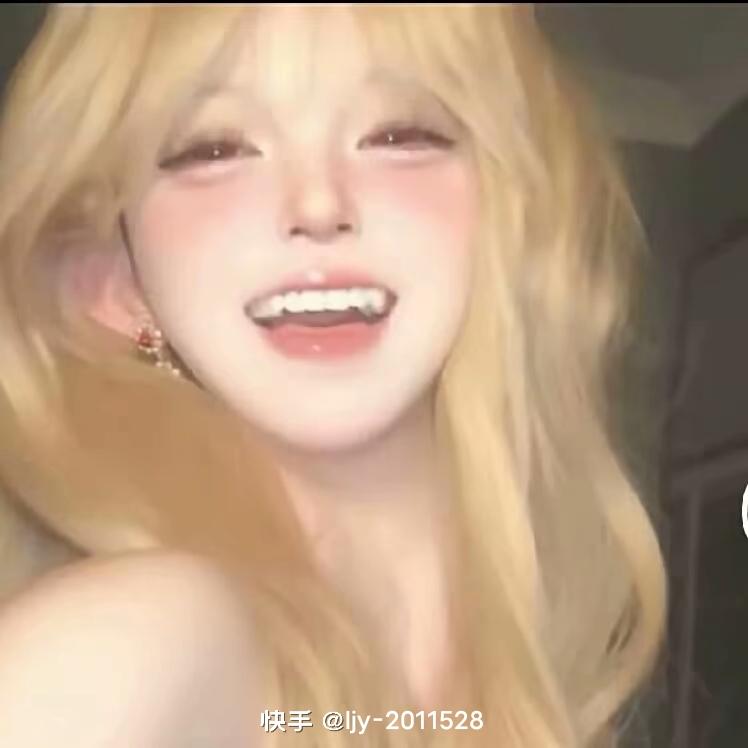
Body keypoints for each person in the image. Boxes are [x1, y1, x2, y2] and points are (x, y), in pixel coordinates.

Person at [0, 4, 667, 746]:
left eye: (398, 135)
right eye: (215, 148)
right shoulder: (139, 645)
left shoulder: (527, 669)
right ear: (110, 279)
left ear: (510, 222)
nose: (318, 205)